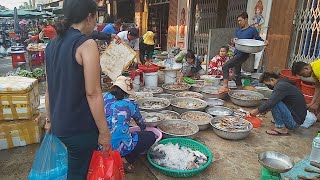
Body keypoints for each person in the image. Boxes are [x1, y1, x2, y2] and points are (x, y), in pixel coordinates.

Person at [44, 0, 111, 179]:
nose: (96, 23)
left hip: (60, 124)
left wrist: (49, 120)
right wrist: (104, 132)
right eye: (96, 17)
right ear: (89, 16)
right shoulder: (86, 45)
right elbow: (93, 93)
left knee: (75, 169)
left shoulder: (51, 45)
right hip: (79, 128)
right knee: (78, 173)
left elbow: (49, 89)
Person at [104, 76, 156, 173]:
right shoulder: (131, 103)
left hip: (101, 144)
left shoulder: (104, 97)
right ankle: (126, 159)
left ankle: (117, 157)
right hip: (119, 146)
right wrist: (144, 128)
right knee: (150, 136)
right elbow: (140, 122)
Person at [220, 12, 268, 92]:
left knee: (225, 66)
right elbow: (235, 41)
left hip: (243, 54)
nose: (239, 22)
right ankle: (240, 89)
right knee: (237, 73)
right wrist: (232, 41)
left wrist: (265, 42)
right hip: (236, 52)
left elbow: (258, 39)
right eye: (238, 21)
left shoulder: (252, 30)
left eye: (240, 20)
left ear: (246, 19)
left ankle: (225, 86)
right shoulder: (238, 30)